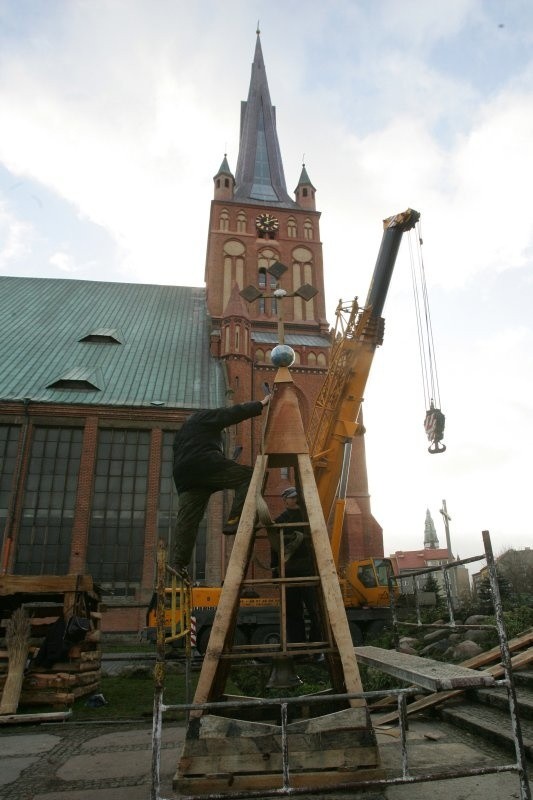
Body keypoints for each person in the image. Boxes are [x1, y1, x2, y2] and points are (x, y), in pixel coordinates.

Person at [172, 395, 270, 579]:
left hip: (186, 477)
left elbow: (183, 453)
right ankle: (234, 520)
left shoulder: (183, 432)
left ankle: (179, 564)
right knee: (252, 476)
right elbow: (229, 414)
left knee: (187, 521)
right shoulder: (203, 417)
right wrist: (259, 404)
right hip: (205, 465)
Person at [270, 487, 321, 645]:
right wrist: (275, 570)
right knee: (293, 611)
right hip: (289, 569)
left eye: (297, 497)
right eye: (292, 498)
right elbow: (274, 547)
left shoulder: (308, 516)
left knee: (315, 609)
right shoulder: (280, 521)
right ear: (285, 500)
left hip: (307, 568)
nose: (295, 500)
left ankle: (316, 645)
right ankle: (297, 646)